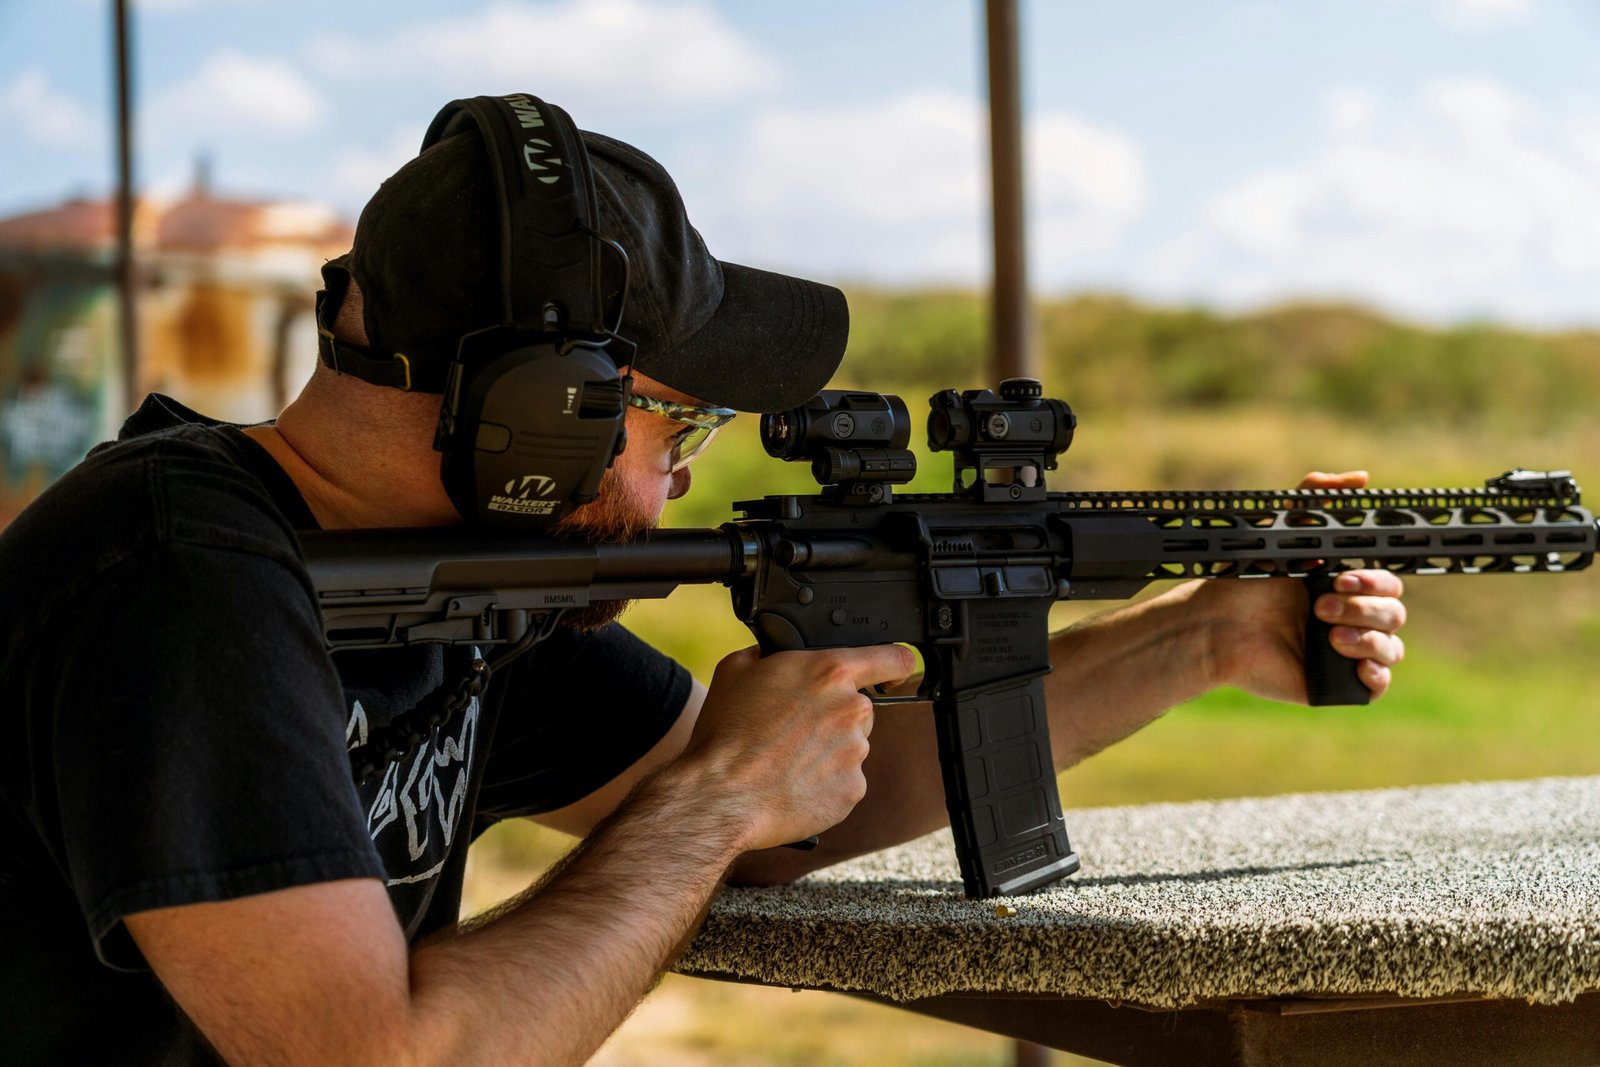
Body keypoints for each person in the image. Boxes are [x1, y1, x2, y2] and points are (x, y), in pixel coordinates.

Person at [0, 112, 1406, 1065]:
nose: (683, 480)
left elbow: (790, 815)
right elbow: (374, 1056)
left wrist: (1210, 631)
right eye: (680, 423)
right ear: (540, 416)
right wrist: (714, 800)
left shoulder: (469, 584)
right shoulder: (179, 582)